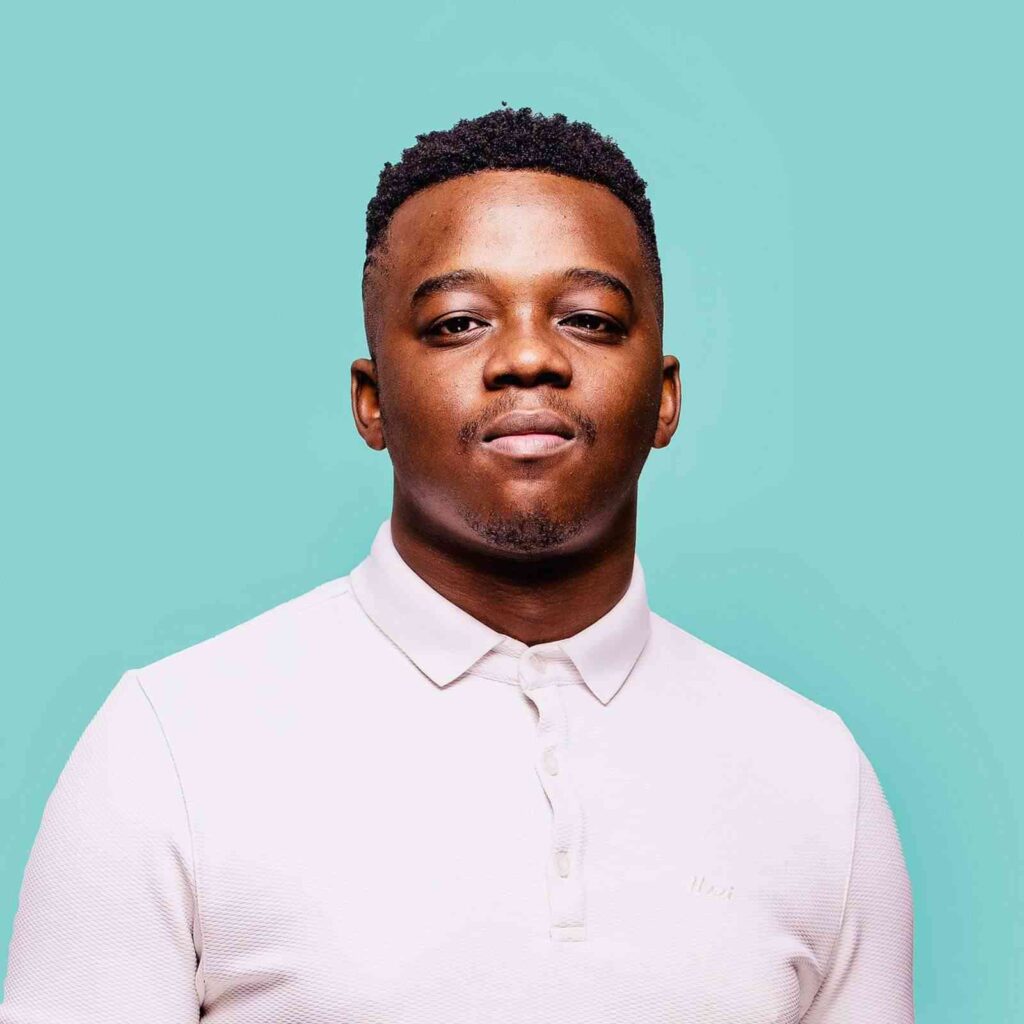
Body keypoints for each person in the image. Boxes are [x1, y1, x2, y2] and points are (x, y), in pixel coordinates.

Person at [0, 106, 914, 1023]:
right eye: (458, 323)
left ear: (665, 397)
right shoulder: (169, 748)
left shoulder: (817, 778)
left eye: (590, 319)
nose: (528, 357)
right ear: (371, 401)